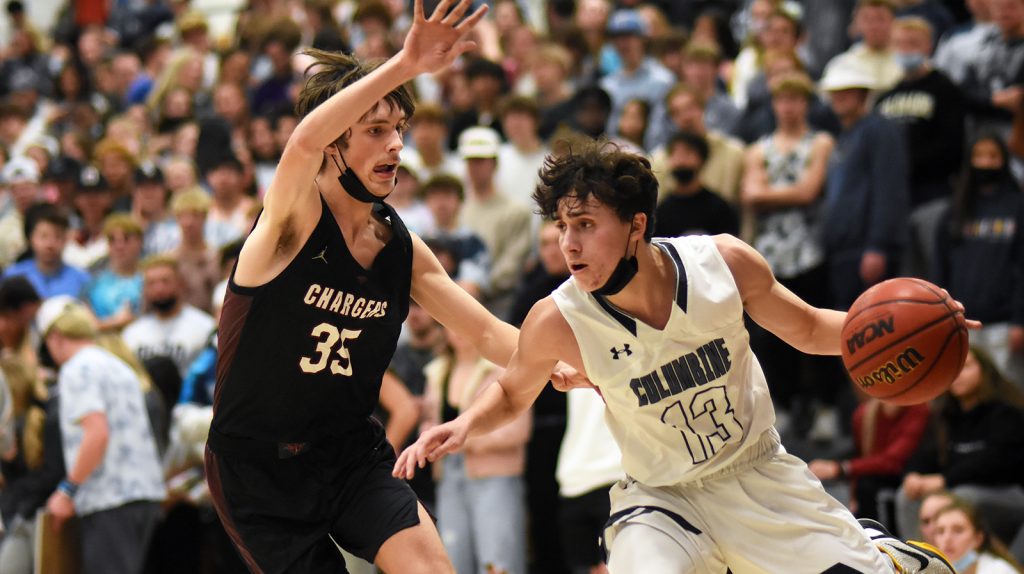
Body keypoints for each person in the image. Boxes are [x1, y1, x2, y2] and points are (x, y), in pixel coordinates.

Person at [396, 138, 961, 573]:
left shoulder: (722, 264)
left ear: (636, 225)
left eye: (586, 225)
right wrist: (466, 422)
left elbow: (810, 327)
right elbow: (513, 388)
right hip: (661, 498)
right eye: (563, 226)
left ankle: (880, 553)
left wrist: (908, 332)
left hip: (758, 474)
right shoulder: (558, 316)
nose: (569, 243)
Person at [204, 3, 567, 573]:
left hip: (348, 454)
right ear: (335, 143)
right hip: (258, 470)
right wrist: (406, 62)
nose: (396, 144)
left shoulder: (403, 248)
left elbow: (487, 331)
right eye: (376, 130)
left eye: (398, 129)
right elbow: (300, 144)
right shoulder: (288, 225)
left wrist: (559, 365)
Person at [38, 296, 165, 574]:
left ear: (56, 337)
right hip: (143, 494)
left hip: (109, 498)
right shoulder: (119, 366)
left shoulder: (76, 370)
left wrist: (67, 490)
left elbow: (97, 434)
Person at [933, 499, 1024, 574]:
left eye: (958, 530)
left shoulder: (999, 571)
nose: (947, 539)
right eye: (941, 531)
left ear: (978, 539)